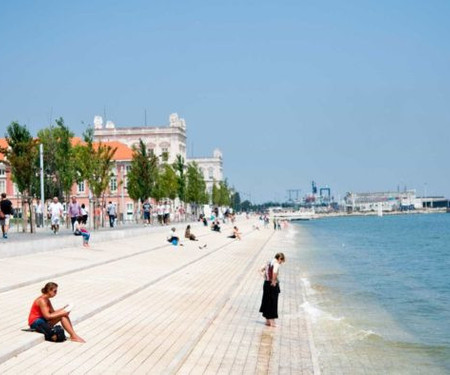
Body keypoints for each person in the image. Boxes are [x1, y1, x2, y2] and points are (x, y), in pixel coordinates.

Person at [259, 252, 286, 327]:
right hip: (272, 285)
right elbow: (274, 272)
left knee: (266, 301)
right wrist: (273, 281)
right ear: (279, 258)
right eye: (282, 261)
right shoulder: (276, 264)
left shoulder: (268, 262)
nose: (281, 263)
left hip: (266, 283)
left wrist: (265, 276)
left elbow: (260, 270)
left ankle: (267, 321)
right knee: (273, 303)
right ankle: (272, 322)